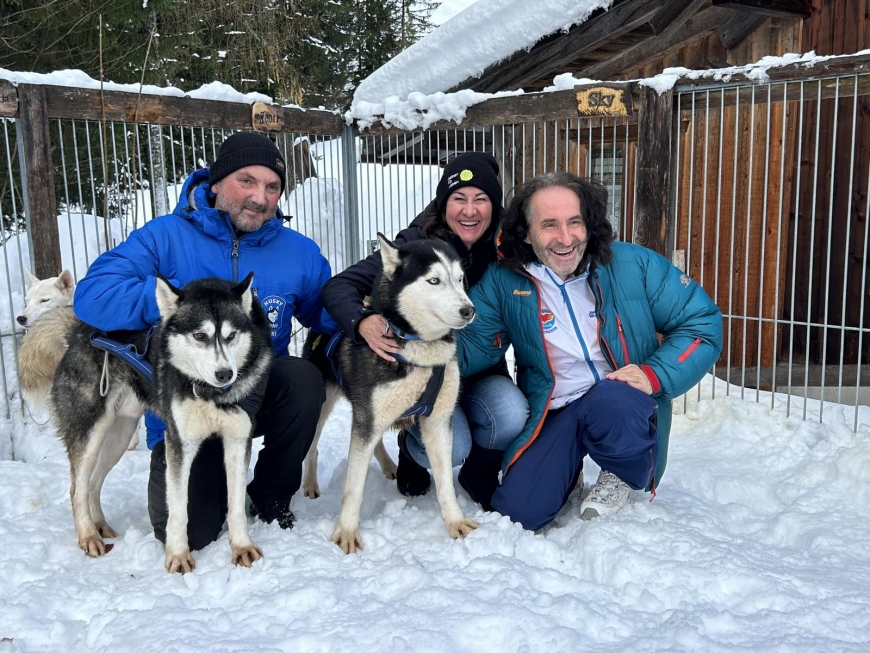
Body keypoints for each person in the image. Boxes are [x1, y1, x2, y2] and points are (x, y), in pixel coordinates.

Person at [74, 132, 336, 550]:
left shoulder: (298, 252)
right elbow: (93, 296)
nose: (260, 197)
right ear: (215, 184)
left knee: (304, 378)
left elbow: (327, 314)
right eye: (246, 181)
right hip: (184, 407)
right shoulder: (164, 237)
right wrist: (180, 302)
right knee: (194, 533)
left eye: (272, 187)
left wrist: (368, 317)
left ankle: (269, 495)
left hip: (253, 393)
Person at [456, 172, 723, 530]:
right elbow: (470, 345)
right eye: (549, 225)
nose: (565, 239)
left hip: (620, 398)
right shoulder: (506, 281)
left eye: (575, 222)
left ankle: (621, 472)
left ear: (589, 223)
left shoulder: (633, 264)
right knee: (520, 513)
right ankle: (566, 476)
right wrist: (404, 341)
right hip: (555, 408)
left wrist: (653, 373)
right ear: (526, 232)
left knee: (614, 400)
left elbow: (701, 323)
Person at [320, 152, 529, 498]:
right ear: (443, 204)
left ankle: (480, 472)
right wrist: (362, 322)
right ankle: (411, 447)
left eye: (481, 199)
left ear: (495, 205)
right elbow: (338, 286)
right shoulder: (416, 248)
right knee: (454, 443)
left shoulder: (509, 248)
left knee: (510, 414)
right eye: (458, 198)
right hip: (424, 371)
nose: (469, 210)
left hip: (482, 368)